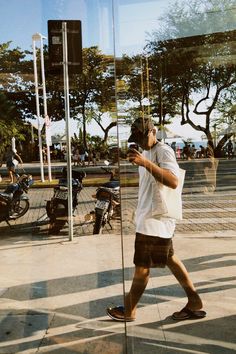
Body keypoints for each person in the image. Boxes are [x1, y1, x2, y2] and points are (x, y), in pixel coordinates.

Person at [106, 117, 206, 321]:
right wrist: (141, 160)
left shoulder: (163, 151)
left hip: (155, 221)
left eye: (143, 136)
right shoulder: (147, 152)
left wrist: (144, 162)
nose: (140, 142)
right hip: (152, 219)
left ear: (153, 131)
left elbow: (173, 181)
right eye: (137, 138)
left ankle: (129, 309)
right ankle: (194, 301)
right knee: (170, 258)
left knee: (142, 267)